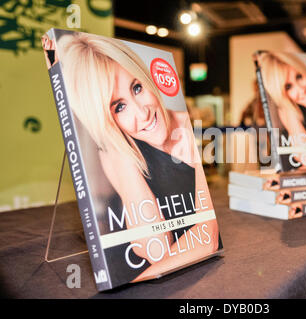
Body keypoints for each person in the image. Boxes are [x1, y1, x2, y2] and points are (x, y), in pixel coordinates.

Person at [57, 32, 219, 282]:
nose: (143, 113)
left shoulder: (187, 126)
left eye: (137, 87)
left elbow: (207, 240)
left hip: (187, 278)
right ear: (105, 119)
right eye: (119, 107)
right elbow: (157, 249)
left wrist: (138, 283)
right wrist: (116, 146)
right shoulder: (116, 155)